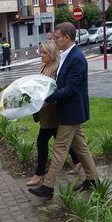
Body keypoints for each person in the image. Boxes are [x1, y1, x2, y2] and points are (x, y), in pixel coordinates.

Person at [28, 22, 98, 198]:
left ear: (67, 38)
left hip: (71, 112)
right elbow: (60, 83)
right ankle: (93, 179)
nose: (55, 40)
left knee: (59, 149)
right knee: (81, 147)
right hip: (68, 110)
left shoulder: (77, 58)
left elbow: (72, 89)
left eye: (57, 37)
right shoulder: (66, 55)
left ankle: (48, 187)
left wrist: (48, 98)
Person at [27, 40, 82, 186]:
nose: (41, 55)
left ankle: (39, 174)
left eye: (44, 52)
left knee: (42, 142)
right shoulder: (44, 66)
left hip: (52, 112)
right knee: (61, 139)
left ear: (52, 54)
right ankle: (78, 162)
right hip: (44, 112)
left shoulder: (57, 68)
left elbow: (57, 90)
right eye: (41, 52)